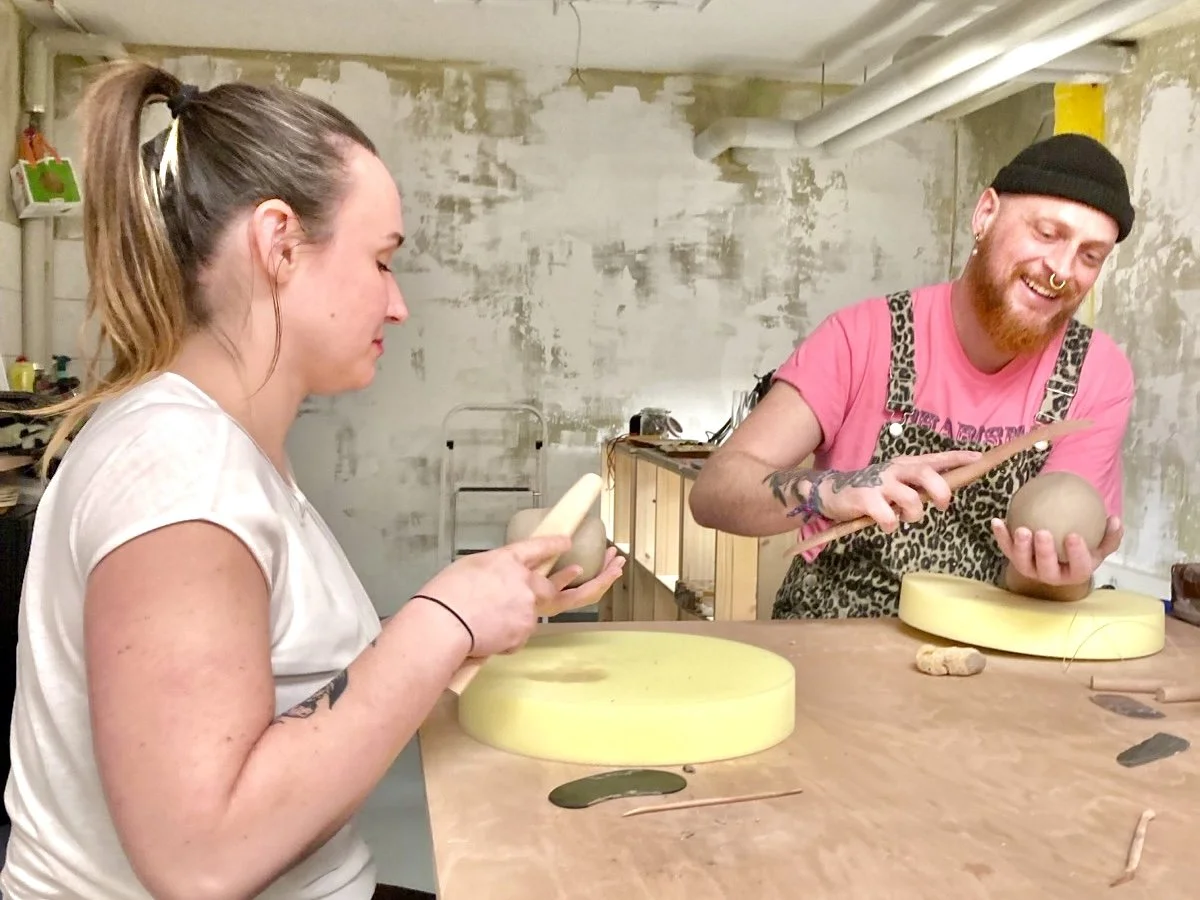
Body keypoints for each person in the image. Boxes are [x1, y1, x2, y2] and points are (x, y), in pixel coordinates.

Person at [0, 60, 624, 900]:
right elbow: (201, 857)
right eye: (381, 261)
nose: (398, 305)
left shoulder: (220, 448)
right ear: (279, 244)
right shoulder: (180, 470)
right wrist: (439, 621)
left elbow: (297, 695)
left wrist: (477, 619)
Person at [689, 133, 1135, 619]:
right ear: (985, 214)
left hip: (984, 642)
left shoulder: (1096, 372)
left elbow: (1043, 568)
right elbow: (713, 493)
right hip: (832, 637)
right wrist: (828, 490)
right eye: (1047, 233)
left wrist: (1059, 576)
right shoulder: (861, 337)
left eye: (1090, 256)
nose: (1061, 270)